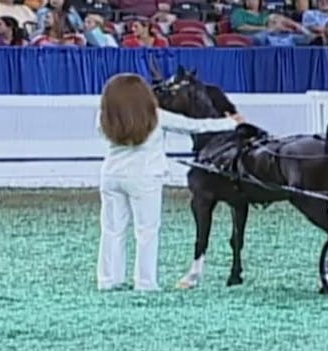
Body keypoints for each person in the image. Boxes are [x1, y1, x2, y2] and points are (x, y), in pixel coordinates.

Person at [96, 73, 245, 291]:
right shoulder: (155, 116)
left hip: (111, 176)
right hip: (145, 176)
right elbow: (194, 126)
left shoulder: (103, 117)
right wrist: (231, 122)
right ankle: (145, 282)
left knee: (112, 229)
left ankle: (108, 279)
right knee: (146, 231)